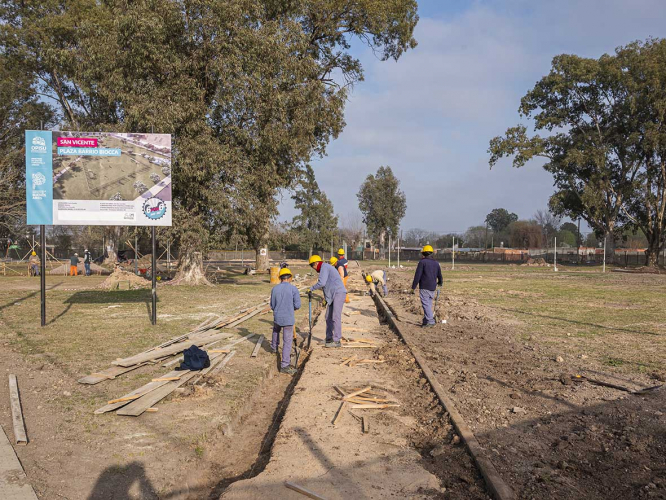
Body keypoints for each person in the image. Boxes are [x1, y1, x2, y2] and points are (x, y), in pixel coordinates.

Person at [308, 254, 346, 348]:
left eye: (313, 266)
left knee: (335, 317)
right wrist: (326, 299)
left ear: (316, 263)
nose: (314, 268)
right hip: (333, 295)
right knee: (328, 317)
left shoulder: (324, 267)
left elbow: (322, 283)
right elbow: (327, 285)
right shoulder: (324, 268)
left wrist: (311, 288)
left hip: (338, 293)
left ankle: (337, 340)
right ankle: (329, 338)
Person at [270, 267, 301, 375]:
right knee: (287, 341)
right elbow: (298, 305)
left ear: (280, 278)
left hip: (277, 316)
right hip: (288, 318)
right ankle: (285, 365)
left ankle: (274, 347)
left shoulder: (274, 289)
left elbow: (272, 305)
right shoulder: (293, 289)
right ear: (290, 278)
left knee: (276, 330)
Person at [411, 245, 443, 327]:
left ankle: (430, 321)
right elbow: (439, 275)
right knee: (428, 304)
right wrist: (440, 282)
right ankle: (426, 320)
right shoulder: (436, 263)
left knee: (425, 304)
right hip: (433, 286)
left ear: (424, 253)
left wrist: (413, 287)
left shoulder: (422, 262)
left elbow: (417, 276)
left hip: (424, 286)